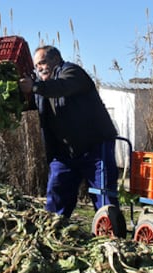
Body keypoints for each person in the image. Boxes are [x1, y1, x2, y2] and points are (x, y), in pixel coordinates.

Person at [19, 45, 120, 218]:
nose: (40, 68)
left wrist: (34, 86)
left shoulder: (72, 73)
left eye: (43, 63)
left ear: (56, 60)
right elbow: (26, 102)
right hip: (65, 155)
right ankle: (55, 233)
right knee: (56, 200)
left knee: (104, 199)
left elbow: (61, 87)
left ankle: (110, 235)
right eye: (36, 66)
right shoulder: (42, 88)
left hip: (94, 150)